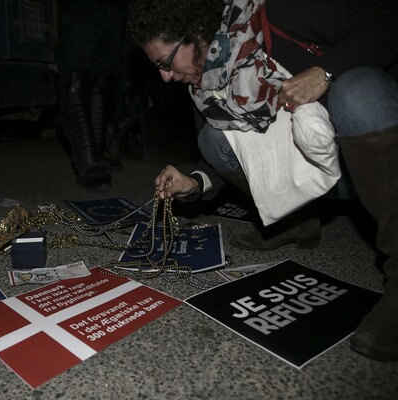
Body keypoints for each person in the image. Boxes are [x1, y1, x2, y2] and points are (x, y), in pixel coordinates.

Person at [127, 0, 398, 362]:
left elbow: (388, 20)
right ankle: (296, 218)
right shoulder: (205, 90)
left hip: (371, 145)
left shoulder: (280, 13)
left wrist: (326, 72)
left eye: (166, 62)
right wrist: (193, 182)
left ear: (196, 35)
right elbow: (223, 160)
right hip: (322, 174)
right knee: (213, 139)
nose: (165, 76)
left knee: (357, 90)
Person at [55, 0, 128, 192]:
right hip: (80, 10)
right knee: (75, 78)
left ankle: (95, 156)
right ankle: (87, 162)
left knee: (102, 81)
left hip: (112, 10)